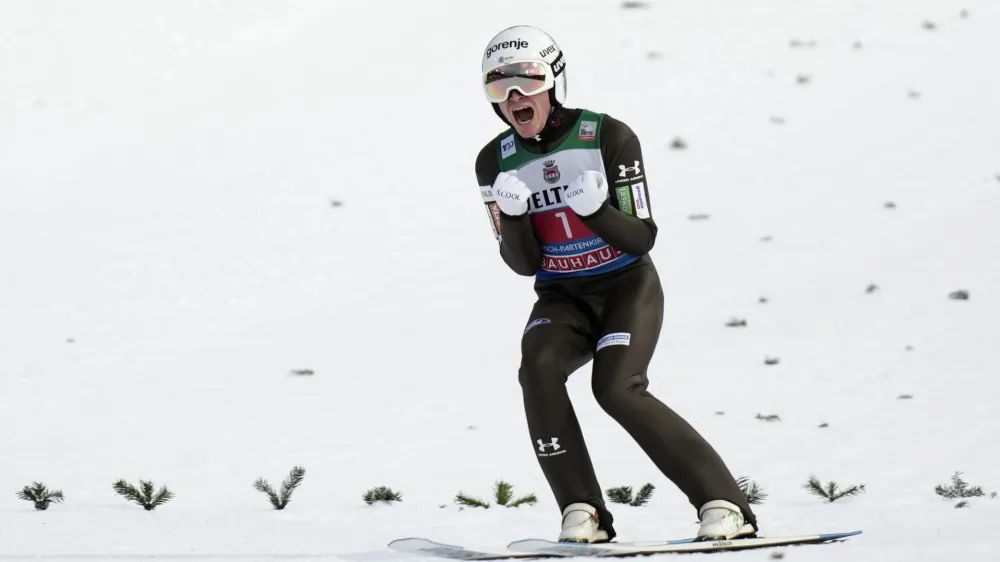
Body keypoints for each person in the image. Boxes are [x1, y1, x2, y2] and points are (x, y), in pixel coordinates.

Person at [474, 25, 761, 544]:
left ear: (553, 80)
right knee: (536, 371)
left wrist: (596, 213)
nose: (515, 97)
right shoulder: (493, 162)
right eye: (499, 87)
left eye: (528, 81)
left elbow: (642, 236)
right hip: (562, 295)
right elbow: (521, 264)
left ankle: (725, 504)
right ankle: (582, 511)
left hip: (626, 284)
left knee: (616, 389)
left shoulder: (607, 136)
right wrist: (514, 219)